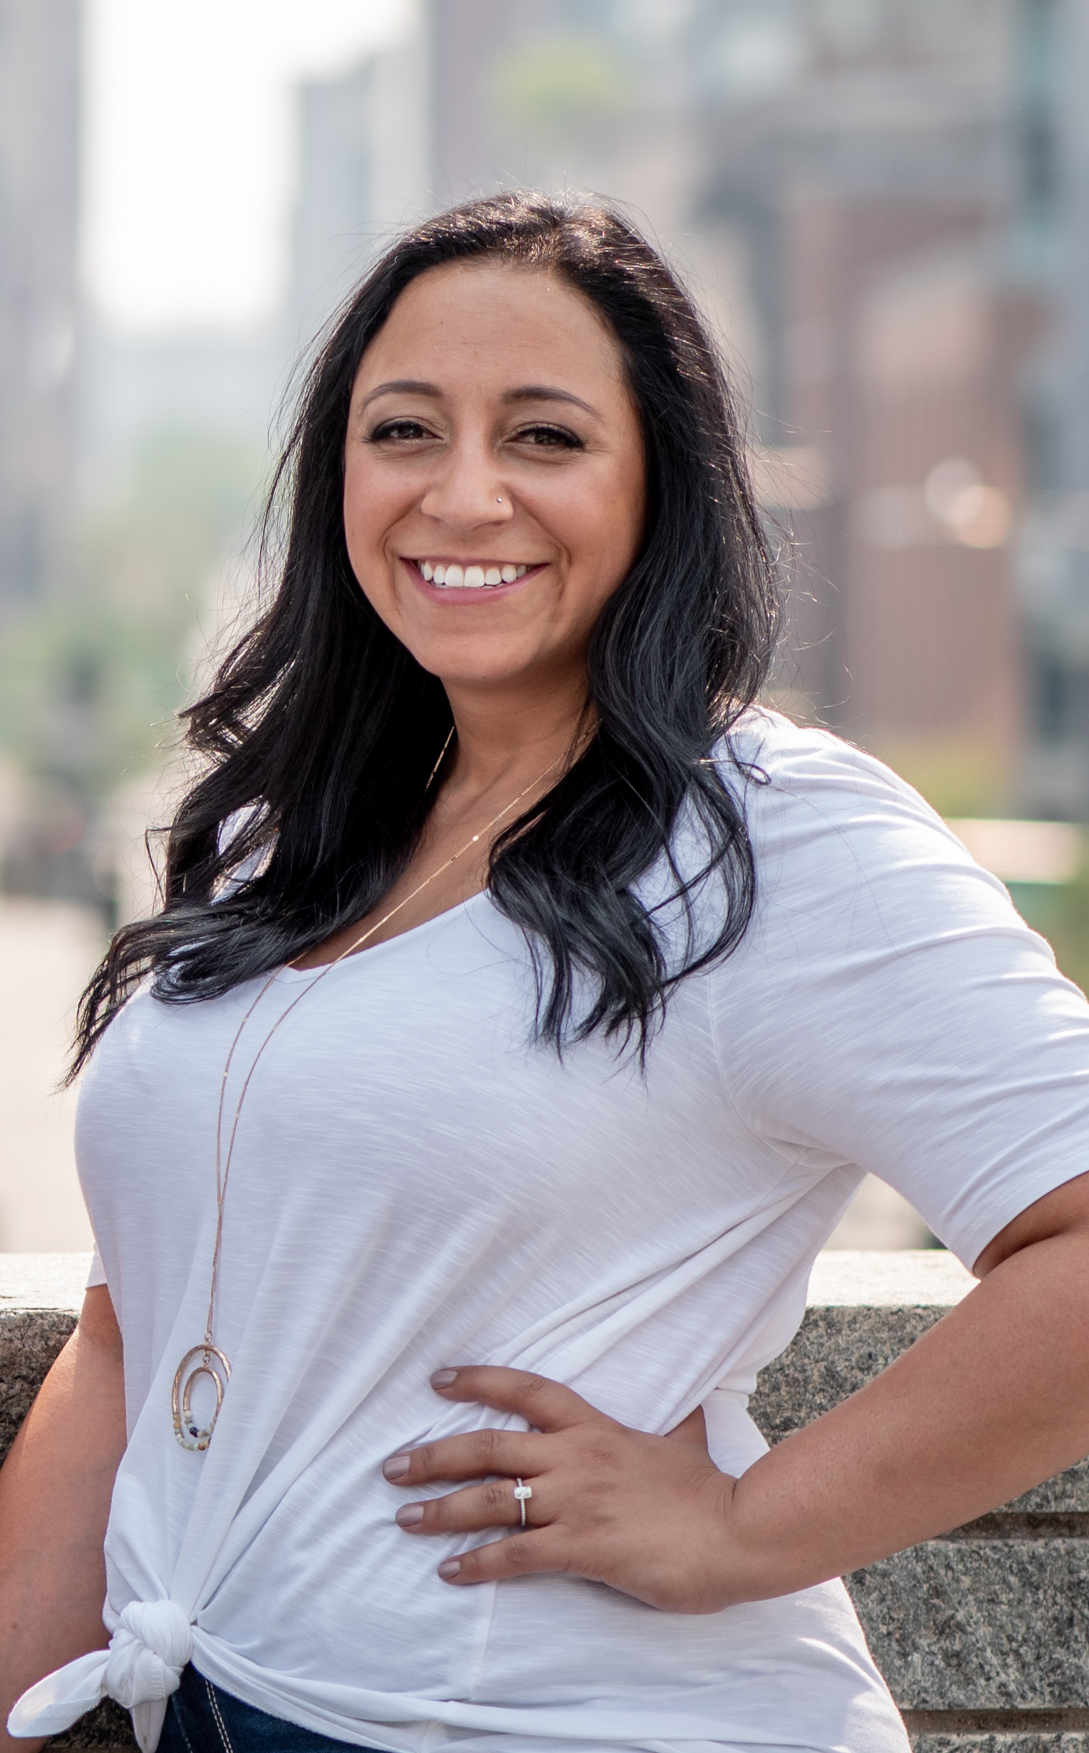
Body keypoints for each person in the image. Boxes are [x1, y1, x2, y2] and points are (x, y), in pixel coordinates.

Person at [3, 192, 1089, 1753]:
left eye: (545, 438)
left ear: (660, 487)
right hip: (227, 1705)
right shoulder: (279, 837)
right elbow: (135, 1333)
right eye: (404, 430)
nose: (463, 494)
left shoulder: (778, 840)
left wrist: (740, 1529)